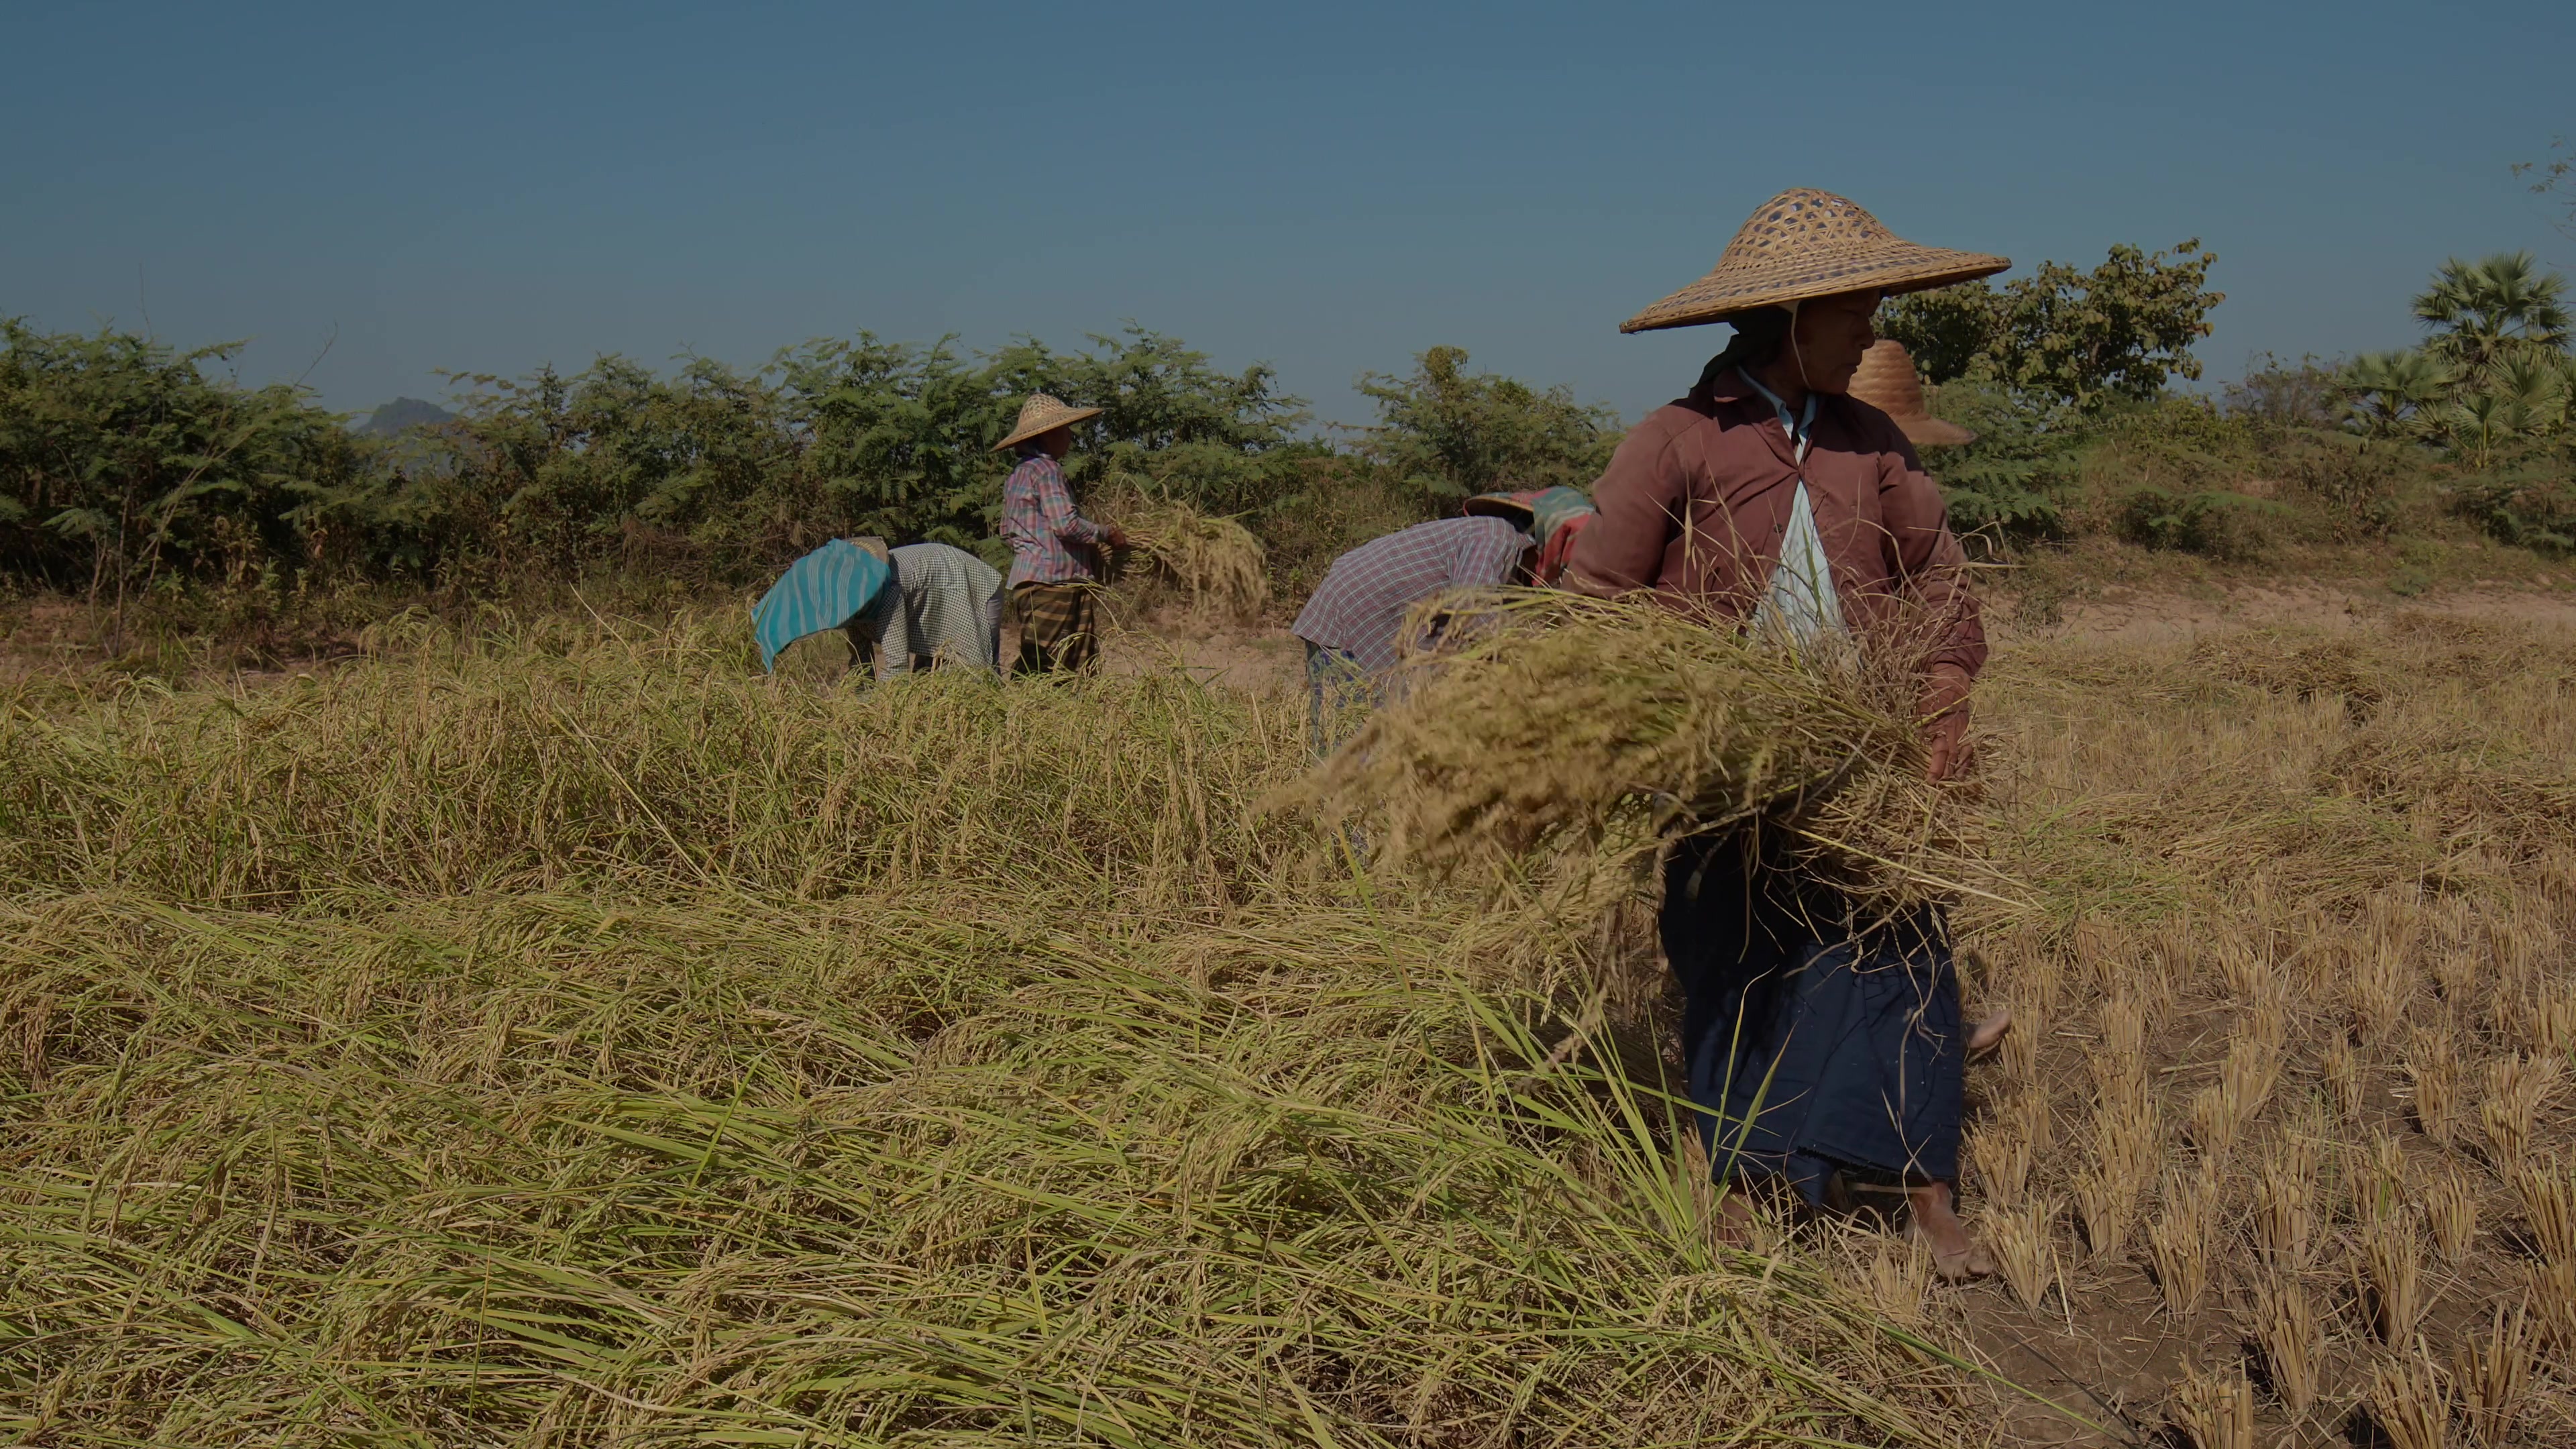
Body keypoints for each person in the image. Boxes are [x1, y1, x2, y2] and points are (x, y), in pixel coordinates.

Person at [1568, 187, 2009, 1278]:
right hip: (1726, 763)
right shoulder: (1677, 440)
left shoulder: (1875, 445)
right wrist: (1671, 715)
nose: (1871, 331)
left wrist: (1942, 701)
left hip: (1860, 755)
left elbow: (1942, 585)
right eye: (1855, 313)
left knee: (1902, 963)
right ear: (1794, 317)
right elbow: (1597, 596)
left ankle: (1923, 1189)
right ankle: (1731, 1177)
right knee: (1738, 965)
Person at [1289, 513, 1536, 757]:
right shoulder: (1497, 536)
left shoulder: (1488, 536)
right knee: (1349, 735)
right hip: (1348, 616)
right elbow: (1471, 607)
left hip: (1355, 606)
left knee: (1378, 729)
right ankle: (1334, 793)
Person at [995, 393, 1126, 674]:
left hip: (1030, 582)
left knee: (1048, 660)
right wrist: (1107, 534)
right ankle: (1023, 714)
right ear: (1048, 435)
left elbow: (1006, 531)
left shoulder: (1019, 474)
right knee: (1050, 666)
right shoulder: (1047, 470)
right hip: (1056, 585)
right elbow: (1066, 525)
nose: (1069, 436)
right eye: (1065, 430)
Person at [842, 541, 1006, 678]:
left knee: (976, 677)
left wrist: (882, 712)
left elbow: (897, 666)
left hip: (971, 585)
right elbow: (861, 661)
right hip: (936, 600)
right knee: (926, 682)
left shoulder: (888, 591)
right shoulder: (847, 607)